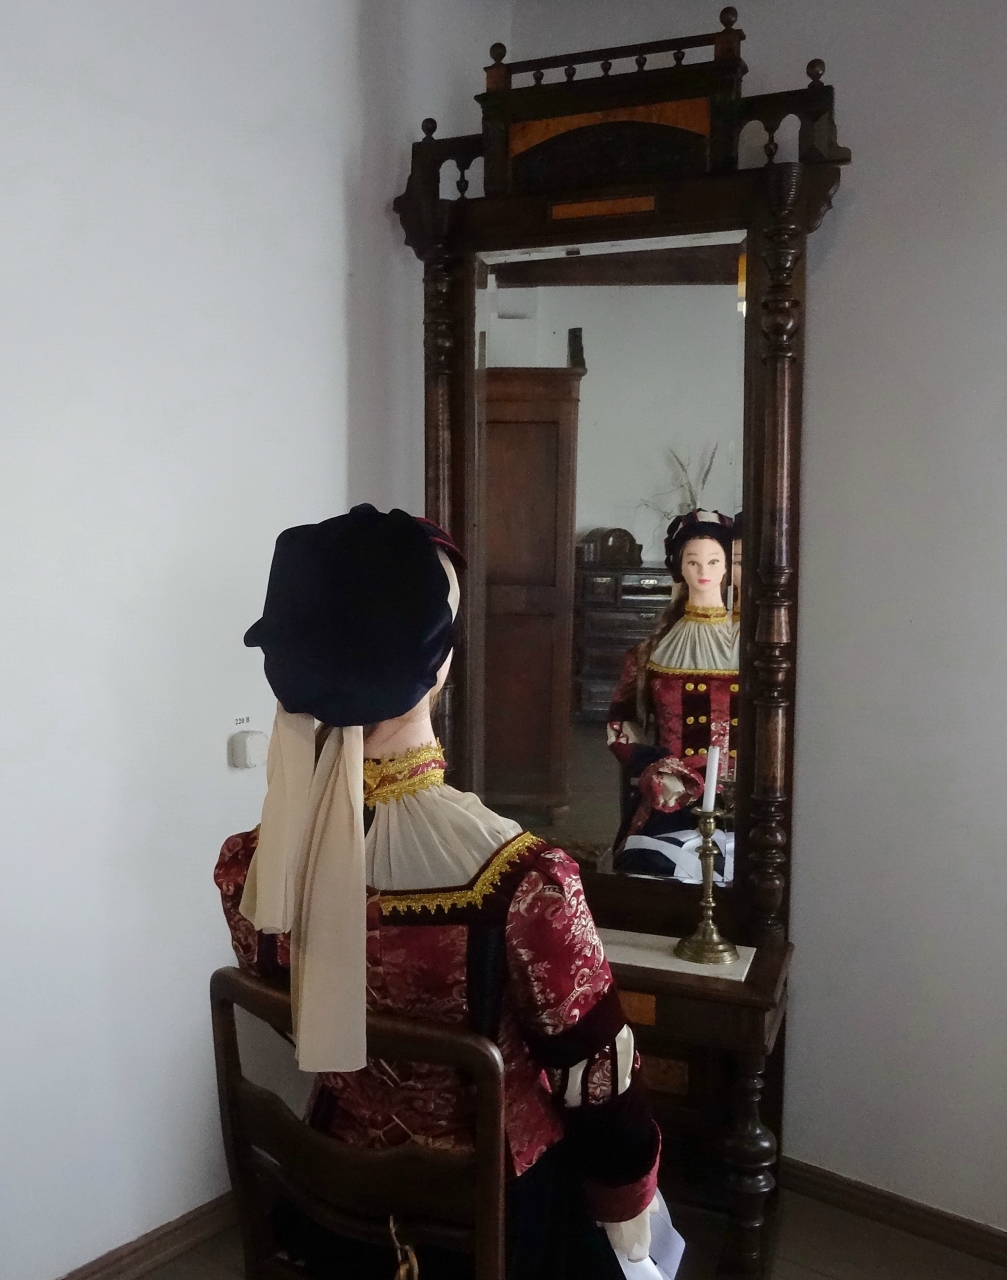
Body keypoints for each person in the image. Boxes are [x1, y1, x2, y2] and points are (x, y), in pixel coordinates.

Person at [215, 504, 684, 1280]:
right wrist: (628, 1204)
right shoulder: (523, 883)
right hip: (490, 1222)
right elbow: (601, 1097)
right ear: (437, 665)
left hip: (328, 1203)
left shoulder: (250, 867)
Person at [607, 510, 738, 882]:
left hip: (739, 797)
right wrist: (653, 766)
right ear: (679, 567)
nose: (703, 571)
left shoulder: (751, 646)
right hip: (672, 794)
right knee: (655, 870)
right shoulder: (650, 652)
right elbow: (619, 722)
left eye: (714, 561)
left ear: (727, 567)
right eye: (692, 561)